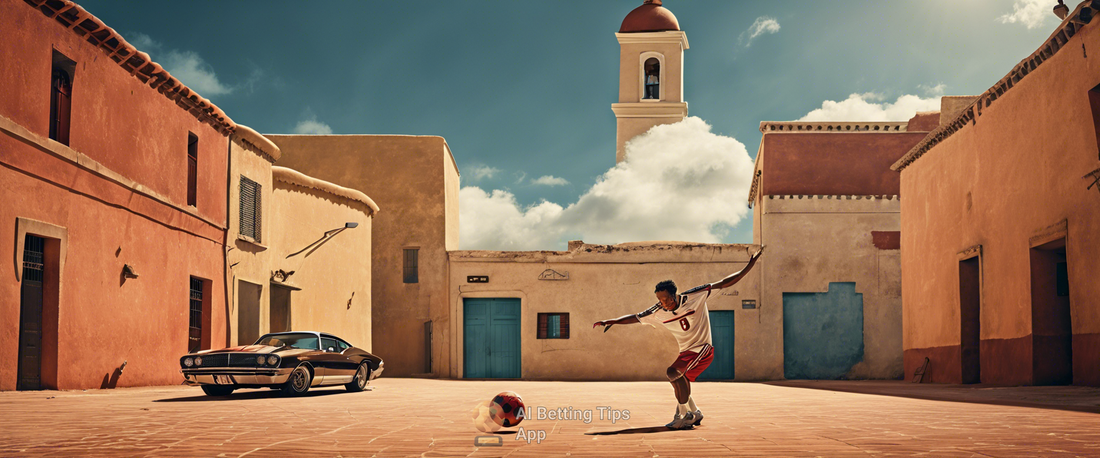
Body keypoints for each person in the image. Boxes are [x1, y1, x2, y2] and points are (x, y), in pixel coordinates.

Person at [593, 246, 764, 429]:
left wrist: (750, 265)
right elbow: (635, 317)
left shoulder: (694, 296)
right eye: (660, 300)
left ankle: (684, 415)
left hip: (703, 348)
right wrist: (610, 321)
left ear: (675, 295)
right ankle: (694, 412)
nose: (663, 303)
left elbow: (724, 282)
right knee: (678, 380)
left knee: (673, 373)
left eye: (666, 299)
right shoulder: (658, 311)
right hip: (686, 352)